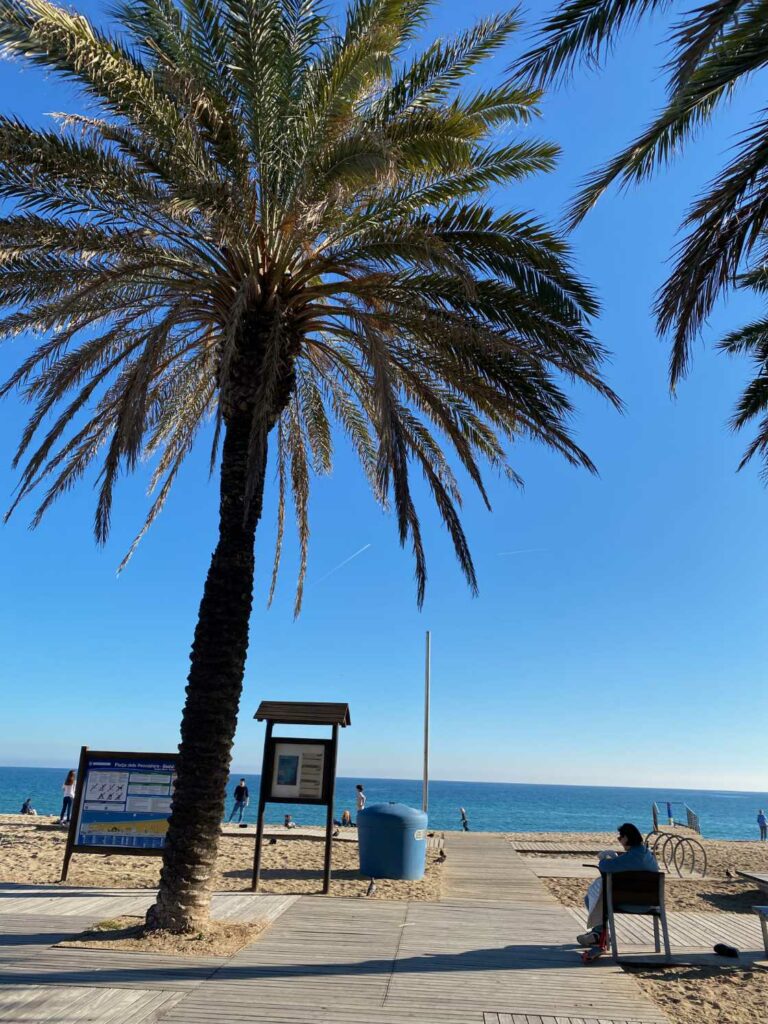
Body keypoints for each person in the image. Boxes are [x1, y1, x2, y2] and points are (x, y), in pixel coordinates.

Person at [577, 822, 658, 947]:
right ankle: (597, 934)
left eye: (620, 838)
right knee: (600, 897)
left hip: (630, 903)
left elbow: (605, 867)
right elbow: (627, 863)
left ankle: (598, 934)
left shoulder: (631, 856)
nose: (620, 841)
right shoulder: (648, 855)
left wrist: (604, 858)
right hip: (650, 903)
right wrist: (616, 858)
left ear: (626, 838)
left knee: (592, 898)